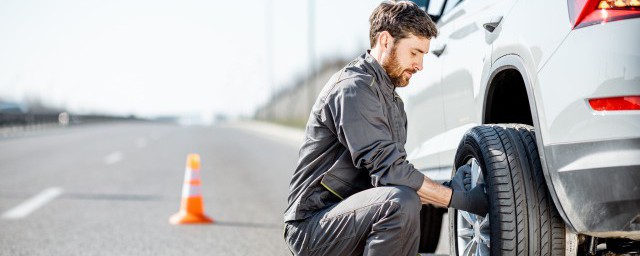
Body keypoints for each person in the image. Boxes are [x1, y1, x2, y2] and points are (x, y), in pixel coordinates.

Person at [283, 1, 488, 255]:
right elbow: (392, 173)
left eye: (423, 55)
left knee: (403, 198)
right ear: (385, 41)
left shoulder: (393, 103)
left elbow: (390, 180)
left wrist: (449, 186)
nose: (420, 65)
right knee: (400, 204)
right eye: (414, 53)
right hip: (312, 226)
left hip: (350, 217)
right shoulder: (354, 89)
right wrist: (456, 199)